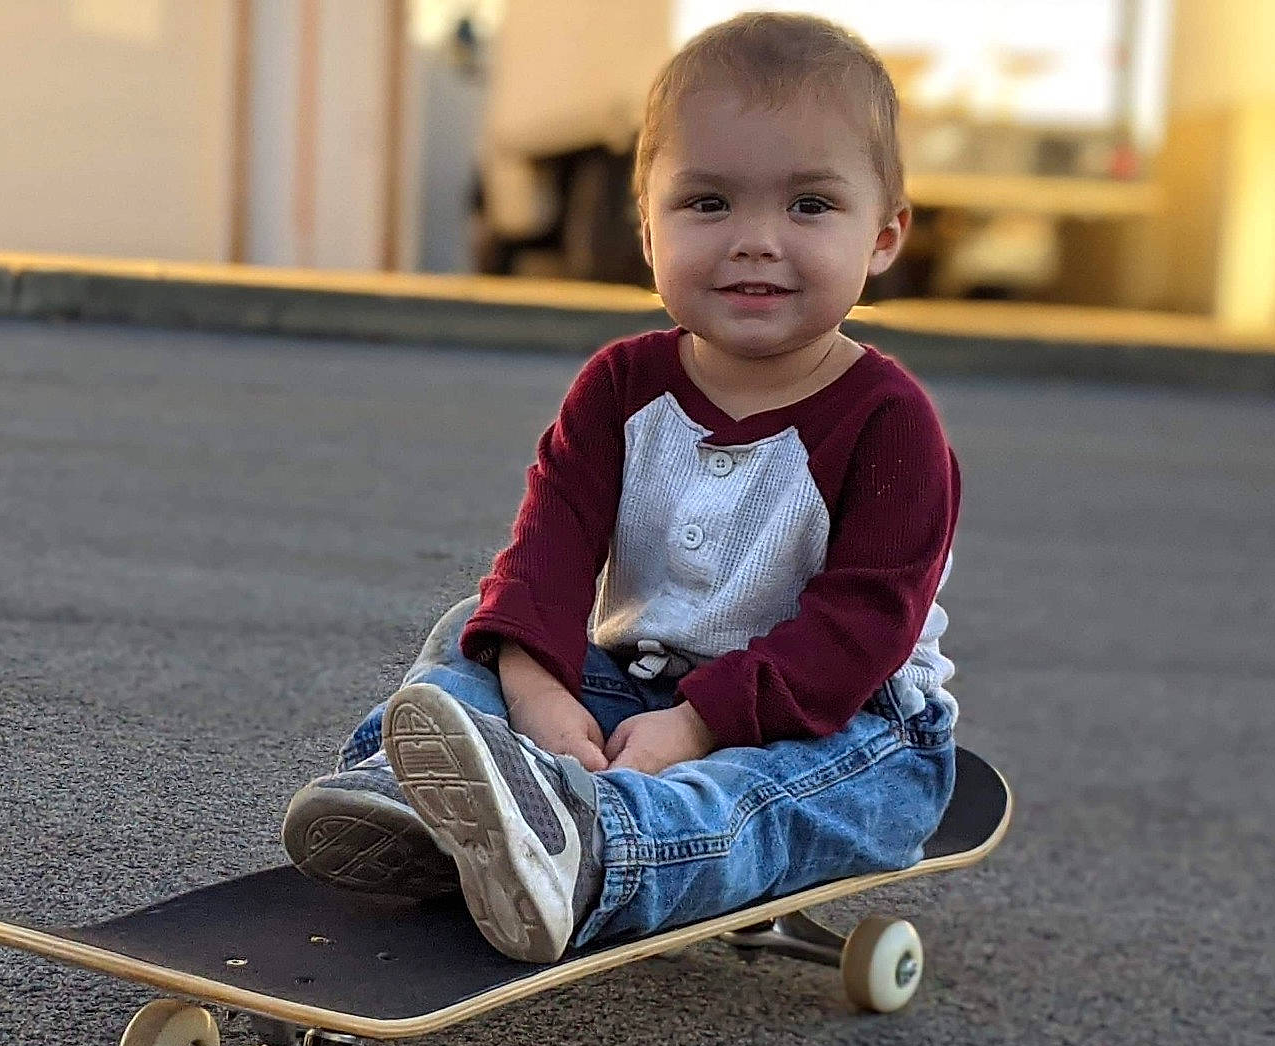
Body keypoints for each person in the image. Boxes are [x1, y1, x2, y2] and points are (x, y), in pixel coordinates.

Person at [281, 12, 961, 964]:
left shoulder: (889, 422)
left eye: (809, 205)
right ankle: (420, 804)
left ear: (883, 236)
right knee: (477, 627)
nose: (757, 240)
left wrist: (697, 726)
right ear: (647, 229)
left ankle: (595, 850)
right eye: (708, 204)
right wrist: (540, 689)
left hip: (849, 732)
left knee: (744, 804)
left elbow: (858, 631)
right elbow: (549, 550)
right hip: (641, 682)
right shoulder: (620, 387)